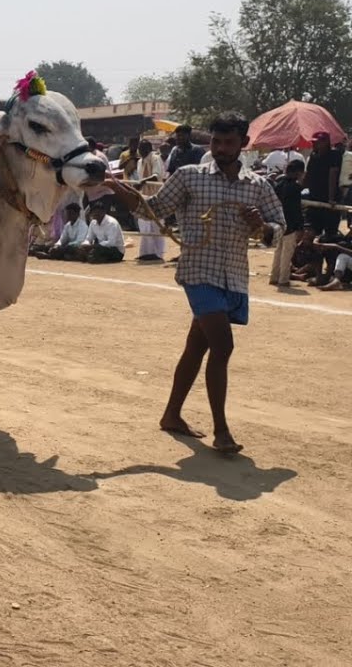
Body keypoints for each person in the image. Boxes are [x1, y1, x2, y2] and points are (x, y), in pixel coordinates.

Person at [110, 111, 285, 454]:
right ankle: (222, 430)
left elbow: (279, 229)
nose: (220, 149)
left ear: (243, 144)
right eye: (216, 142)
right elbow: (153, 209)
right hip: (198, 273)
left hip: (233, 277)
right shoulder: (190, 177)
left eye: (228, 142)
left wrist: (262, 226)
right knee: (223, 346)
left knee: (197, 347)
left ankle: (171, 414)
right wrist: (117, 188)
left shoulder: (258, 186)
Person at [269, 160, 306, 287]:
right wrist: (300, 226)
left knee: (278, 250)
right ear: (298, 172)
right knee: (287, 252)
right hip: (290, 223)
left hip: (279, 221)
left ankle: (274, 276)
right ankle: (283, 279)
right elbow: (296, 209)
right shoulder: (295, 188)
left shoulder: (278, 185)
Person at [304, 131, 343, 239]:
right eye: (313, 142)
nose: (314, 144)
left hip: (330, 198)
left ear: (326, 142)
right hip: (314, 197)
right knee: (312, 230)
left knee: (330, 233)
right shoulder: (313, 156)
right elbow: (308, 174)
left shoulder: (334, 155)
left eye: (317, 142)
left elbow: (333, 175)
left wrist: (331, 198)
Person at [134, 140, 167, 263]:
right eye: (139, 148)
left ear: (149, 148)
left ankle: (158, 253)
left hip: (156, 196)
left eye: (143, 148)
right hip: (144, 197)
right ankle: (146, 252)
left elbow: (156, 176)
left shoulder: (155, 158)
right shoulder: (139, 162)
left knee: (156, 226)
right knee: (144, 225)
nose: (140, 150)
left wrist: (142, 182)